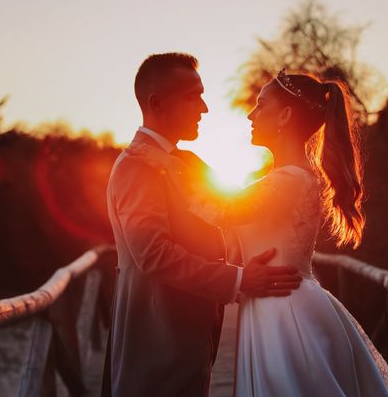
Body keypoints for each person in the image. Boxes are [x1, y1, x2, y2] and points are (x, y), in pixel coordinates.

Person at [129, 69, 388, 396]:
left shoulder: (290, 180)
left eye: (261, 105)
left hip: (286, 314)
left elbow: (219, 210)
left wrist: (162, 159)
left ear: (285, 116)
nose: (251, 114)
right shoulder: (290, 177)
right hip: (276, 305)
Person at [101, 54, 302, 397]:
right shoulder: (135, 167)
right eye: (193, 96)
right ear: (156, 103)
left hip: (190, 341)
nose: (205, 108)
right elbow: (153, 254)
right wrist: (239, 279)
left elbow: (231, 212)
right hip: (157, 347)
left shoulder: (188, 163)